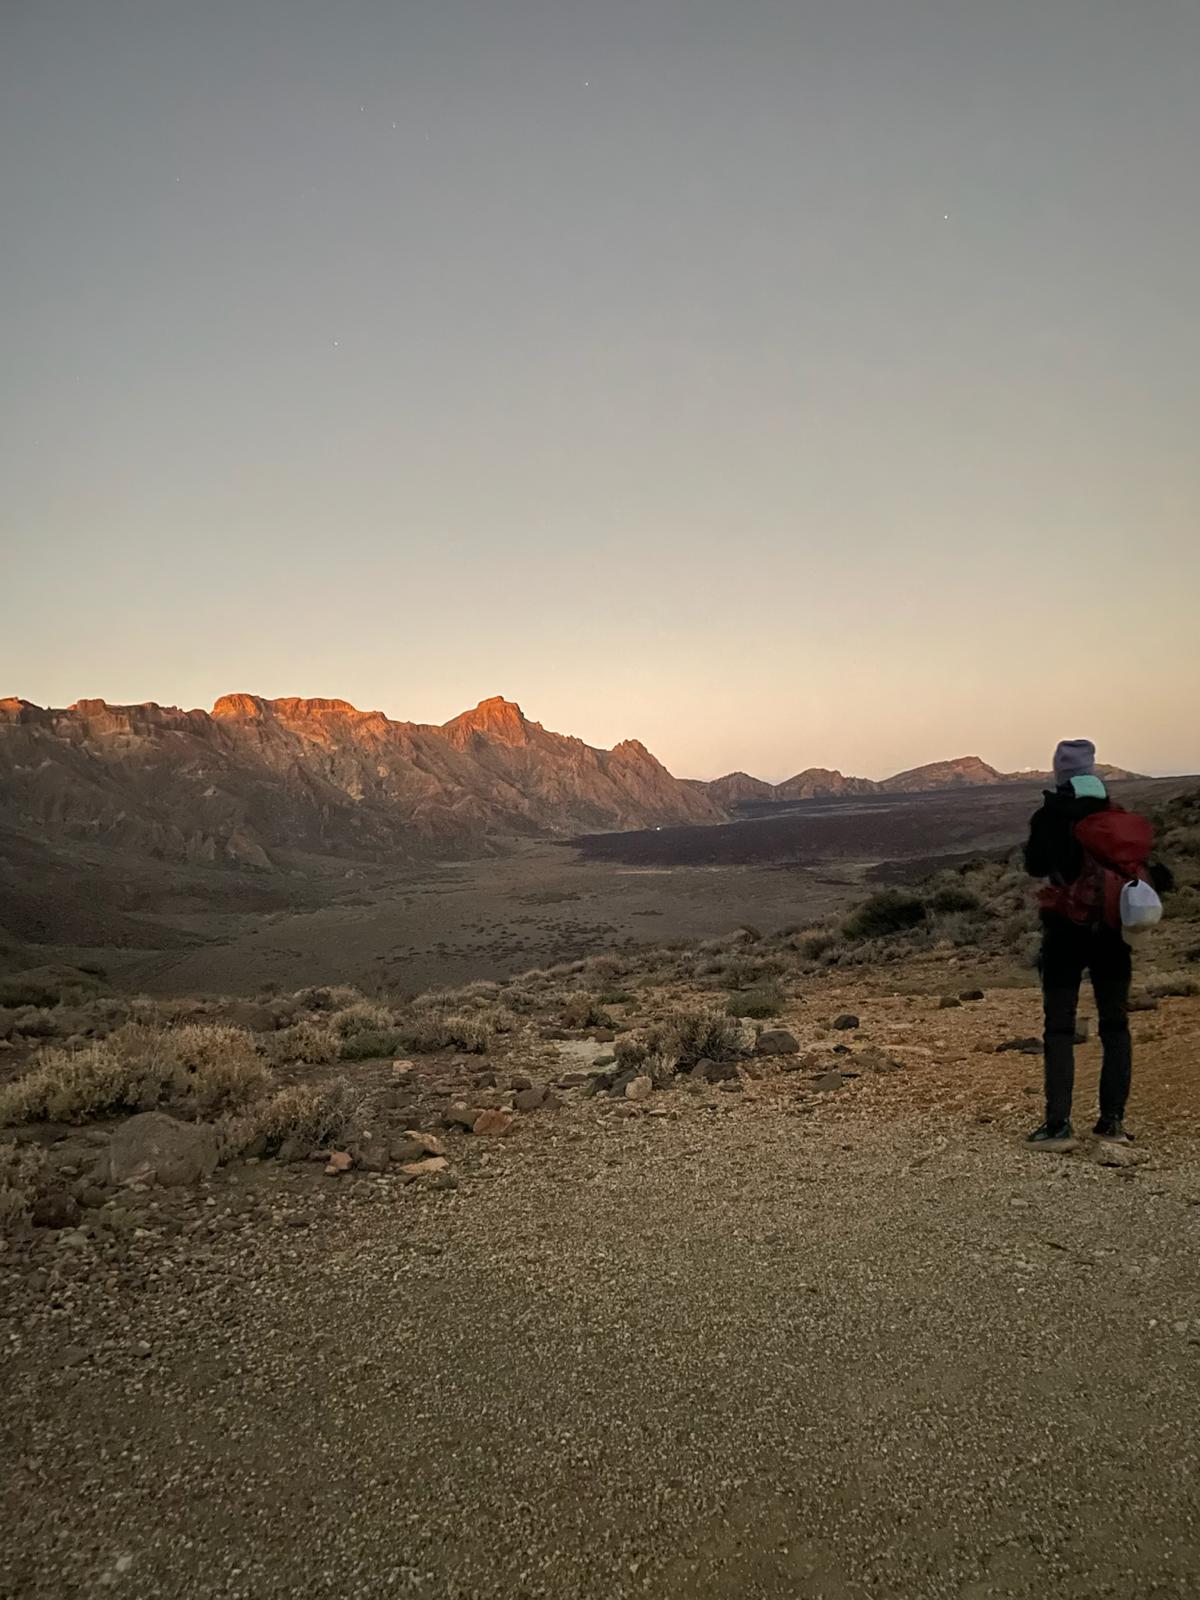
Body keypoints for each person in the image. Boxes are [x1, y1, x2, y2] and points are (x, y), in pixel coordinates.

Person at [1022, 739, 1139, 1151]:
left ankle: (1057, 1126)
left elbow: (1035, 864)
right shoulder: (1113, 813)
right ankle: (1112, 1122)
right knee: (1115, 1027)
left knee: (1059, 1028)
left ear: (1060, 773)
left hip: (1063, 931)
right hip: (1112, 933)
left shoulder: (1049, 815)